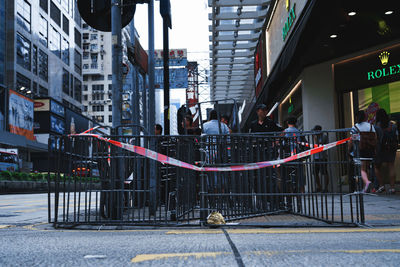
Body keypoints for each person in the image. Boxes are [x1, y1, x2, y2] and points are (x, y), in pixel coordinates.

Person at [349, 110, 377, 193]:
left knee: (362, 169)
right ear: (366, 117)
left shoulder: (355, 127)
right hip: (370, 149)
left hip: (360, 149)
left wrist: (349, 149)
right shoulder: (371, 126)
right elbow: (375, 138)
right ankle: (366, 187)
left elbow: (352, 139)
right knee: (367, 167)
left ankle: (367, 182)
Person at [374, 109, 398, 194]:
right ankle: (392, 187)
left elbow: (375, 139)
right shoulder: (393, 125)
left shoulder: (376, 126)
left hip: (380, 148)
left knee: (377, 167)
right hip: (391, 148)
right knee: (391, 166)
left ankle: (381, 185)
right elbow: (396, 136)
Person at [312, 125, 329, 192]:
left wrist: (315, 138)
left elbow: (318, 144)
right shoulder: (316, 136)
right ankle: (319, 187)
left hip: (322, 157)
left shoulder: (324, 136)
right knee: (315, 172)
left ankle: (326, 188)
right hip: (316, 157)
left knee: (324, 172)